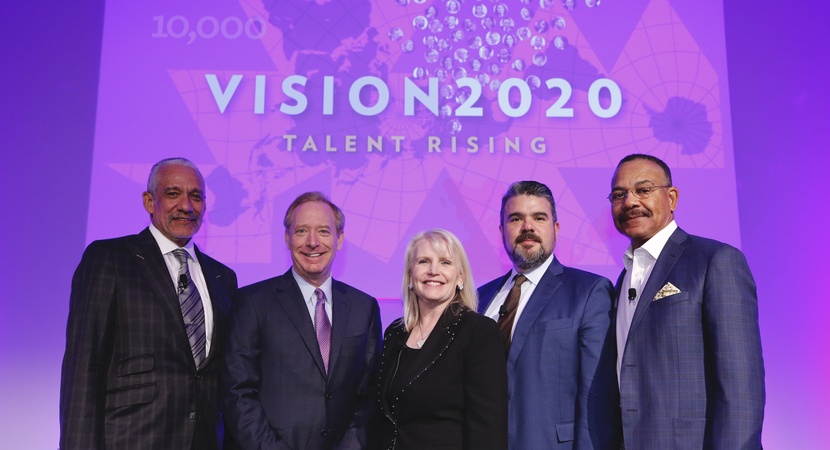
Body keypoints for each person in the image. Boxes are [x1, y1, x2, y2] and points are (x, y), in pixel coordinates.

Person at [59, 157, 239, 450]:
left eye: (196, 196)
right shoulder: (111, 259)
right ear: (148, 201)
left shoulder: (223, 277)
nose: (186, 205)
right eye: (173, 194)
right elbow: (84, 365)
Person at [609, 154, 765, 449]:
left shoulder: (714, 261)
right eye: (619, 194)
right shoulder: (622, 280)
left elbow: (741, 387)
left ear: (672, 197)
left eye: (643, 190)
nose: (629, 202)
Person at [223, 191, 382, 450]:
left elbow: (369, 394)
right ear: (287, 239)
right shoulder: (252, 303)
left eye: (323, 231)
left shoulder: (364, 307)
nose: (312, 242)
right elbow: (238, 392)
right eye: (301, 232)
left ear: (339, 239)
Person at [477, 181, 620, 449]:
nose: (527, 227)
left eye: (539, 218)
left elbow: (597, 396)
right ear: (502, 231)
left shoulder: (589, 291)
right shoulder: (479, 298)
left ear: (555, 228)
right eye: (516, 218)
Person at [370, 229, 507, 450]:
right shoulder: (395, 333)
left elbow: (488, 429)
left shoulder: (478, 331)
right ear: (410, 276)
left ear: (460, 277)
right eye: (424, 261)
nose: (434, 271)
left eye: (445, 262)